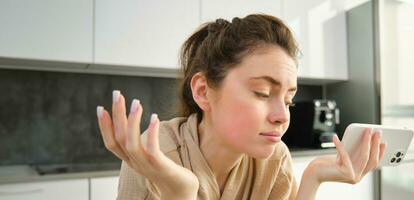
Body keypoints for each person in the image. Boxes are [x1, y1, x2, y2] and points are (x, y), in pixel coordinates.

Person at [96, 14, 385, 200]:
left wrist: (314, 177)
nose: (283, 116)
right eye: (262, 93)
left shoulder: (274, 160)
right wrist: (181, 193)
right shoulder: (154, 154)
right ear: (203, 91)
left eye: (288, 100)